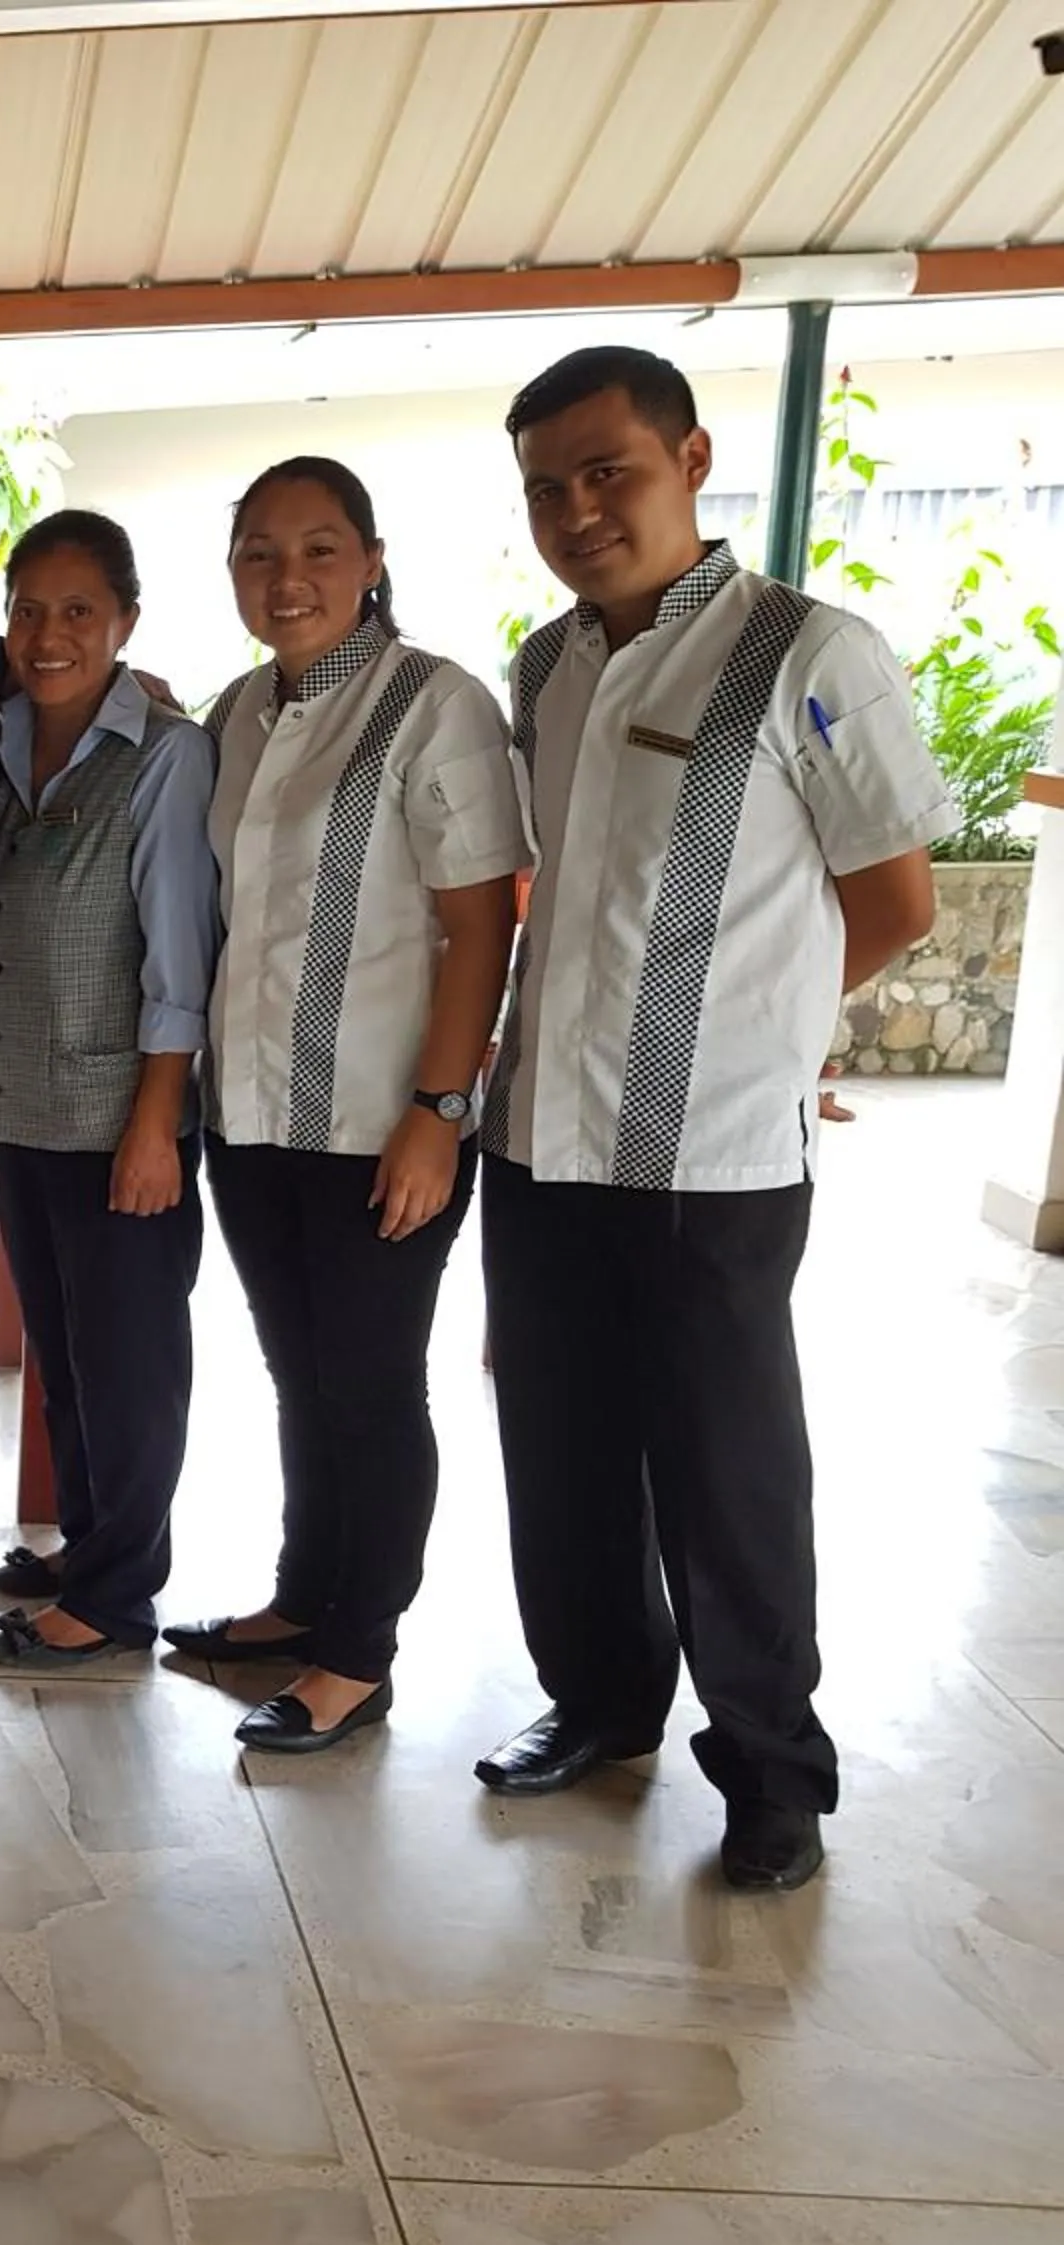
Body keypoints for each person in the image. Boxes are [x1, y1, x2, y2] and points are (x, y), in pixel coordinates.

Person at [474, 347, 948, 1891]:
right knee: (561, 1446)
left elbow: (892, 898)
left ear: (688, 456)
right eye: (548, 485)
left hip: (716, 1155)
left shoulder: (812, 651)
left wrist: (770, 1034)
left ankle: (769, 1768)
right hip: (540, 1135)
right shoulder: (545, 668)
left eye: (607, 470)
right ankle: (599, 1703)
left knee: (725, 1465)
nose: (577, 509)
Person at [177, 457, 526, 1754]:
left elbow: (479, 921)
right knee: (298, 1373)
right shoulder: (235, 712)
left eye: (319, 549)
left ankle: (358, 1653)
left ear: (372, 557)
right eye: (259, 552)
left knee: (373, 1383)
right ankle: (301, 1595)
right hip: (254, 1116)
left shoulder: (437, 705)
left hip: (386, 1121)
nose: (289, 578)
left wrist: (442, 1103)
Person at [0, 511, 221, 1680]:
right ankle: (87, 1545)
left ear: (126, 623)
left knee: (129, 1362)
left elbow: (180, 957)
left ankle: (120, 1597)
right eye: (28, 609)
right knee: (65, 1356)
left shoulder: (166, 753)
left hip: (125, 1113)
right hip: (23, 1102)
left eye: (79, 612)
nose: (49, 633)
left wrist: (157, 1123)